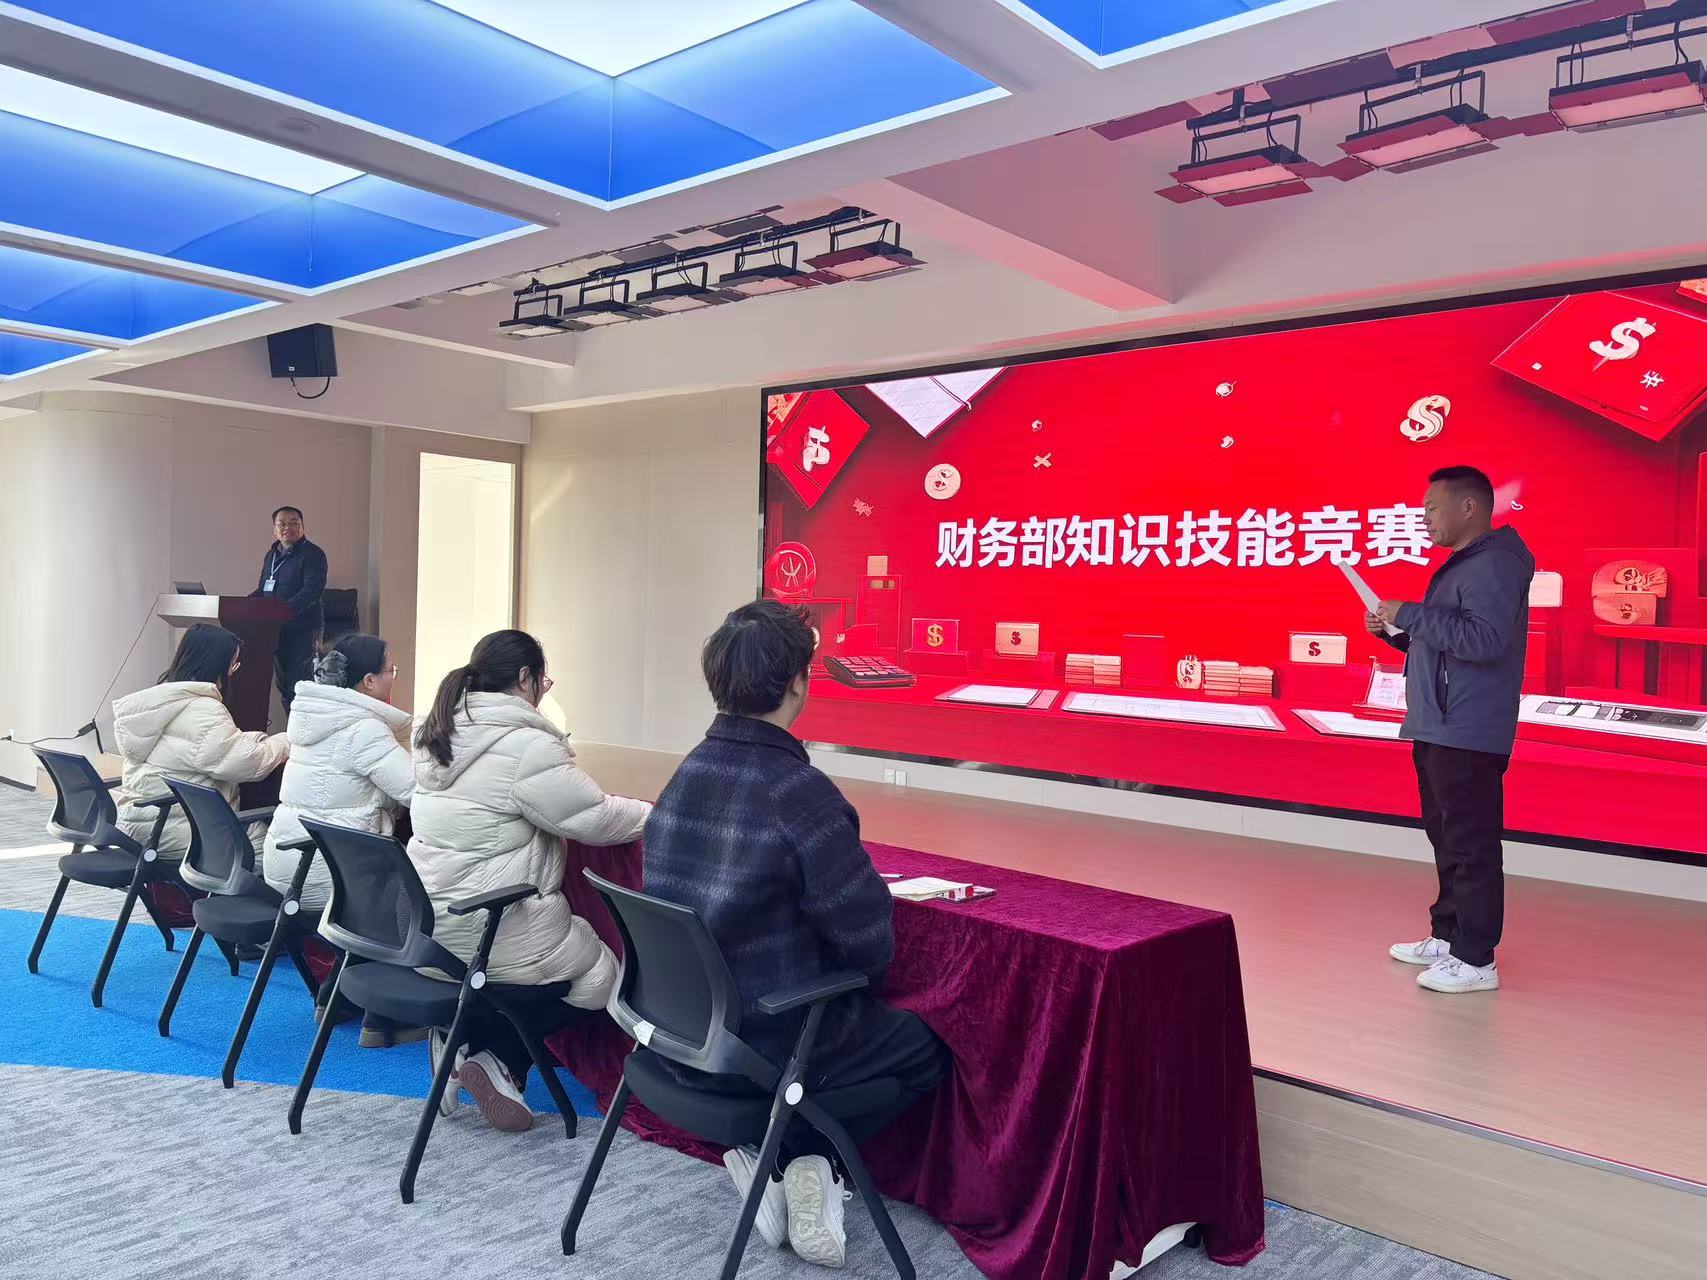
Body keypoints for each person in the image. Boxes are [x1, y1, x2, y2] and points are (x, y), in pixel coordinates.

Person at [643, 599, 951, 1269]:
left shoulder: (685, 774)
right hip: (773, 1037)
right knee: (924, 1049)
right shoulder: (798, 792)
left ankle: (774, 1160)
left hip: (677, 1036)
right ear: (797, 684)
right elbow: (868, 944)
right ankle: (810, 1157)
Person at [408, 630, 650, 1132]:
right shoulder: (526, 746)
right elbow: (593, 817)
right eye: (543, 680)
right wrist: (658, 814)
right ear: (525, 679)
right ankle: (495, 1055)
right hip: (492, 921)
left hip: (427, 924)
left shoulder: (437, 733)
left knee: (509, 971)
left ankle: (461, 1038)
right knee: (604, 981)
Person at [1369, 465, 1534, 995]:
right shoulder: (1466, 564)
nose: (1424, 519)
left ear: (1469, 506)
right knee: (1446, 836)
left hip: (1467, 726)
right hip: (1439, 723)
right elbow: (1447, 646)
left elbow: (1483, 641)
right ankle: (1448, 935)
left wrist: (1413, 614)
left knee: (1470, 842)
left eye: (1431, 509)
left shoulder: (1495, 563)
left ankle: (1476, 958)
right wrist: (1396, 632)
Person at [261, 634, 416, 1045]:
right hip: (329, 873)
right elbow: (416, 791)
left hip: (290, 862)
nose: (394, 678)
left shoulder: (312, 719)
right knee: (414, 884)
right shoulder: (364, 729)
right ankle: (382, 1017)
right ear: (369, 681)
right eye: (391, 671)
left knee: (375, 873)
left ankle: (335, 997)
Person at [112, 623, 290, 862]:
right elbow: (249, 764)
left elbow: (208, 748)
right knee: (274, 847)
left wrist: (255, 738)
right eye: (233, 664)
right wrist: (286, 741)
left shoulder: (161, 702)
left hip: (140, 823)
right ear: (217, 664)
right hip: (178, 831)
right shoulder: (203, 710)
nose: (233, 672)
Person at [253, 505, 327, 718]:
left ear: (302, 527)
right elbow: (263, 590)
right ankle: (293, 730)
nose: (288, 527)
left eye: (294, 523)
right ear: (275, 529)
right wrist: (243, 604)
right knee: (284, 685)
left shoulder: (313, 554)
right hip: (275, 630)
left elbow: (312, 591)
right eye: (282, 524)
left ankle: (306, 731)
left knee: (301, 686)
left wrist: (282, 612)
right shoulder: (271, 555)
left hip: (302, 631)